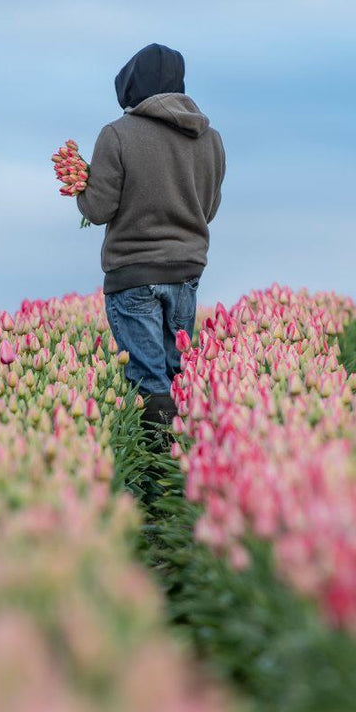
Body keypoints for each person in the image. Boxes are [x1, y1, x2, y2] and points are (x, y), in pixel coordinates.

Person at [77, 43, 226, 427]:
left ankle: (158, 468)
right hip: (186, 273)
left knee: (148, 384)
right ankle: (190, 461)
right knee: (179, 378)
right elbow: (207, 210)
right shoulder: (210, 139)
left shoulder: (117, 135)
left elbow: (98, 209)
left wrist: (80, 184)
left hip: (134, 274)